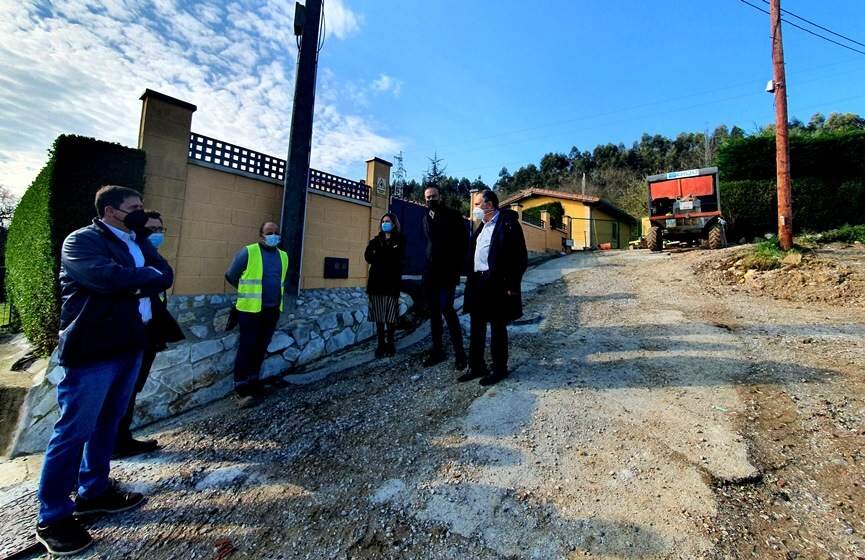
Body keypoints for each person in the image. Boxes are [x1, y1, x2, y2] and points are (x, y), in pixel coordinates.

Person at [36, 186, 174, 556]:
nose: (142, 213)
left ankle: (94, 490)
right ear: (112, 211)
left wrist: (137, 279)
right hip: (94, 350)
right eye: (135, 208)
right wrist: (138, 281)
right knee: (73, 430)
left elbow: (165, 274)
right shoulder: (81, 241)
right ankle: (53, 516)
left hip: (131, 345)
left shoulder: (137, 241)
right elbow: (105, 279)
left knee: (108, 423)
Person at [113, 210, 184, 458]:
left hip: (149, 333)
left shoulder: (149, 254)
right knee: (121, 391)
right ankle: (113, 442)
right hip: (126, 332)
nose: (156, 234)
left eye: (160, 229)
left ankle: (122, 438)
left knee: (133, 388)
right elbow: (136, 282)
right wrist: (151, 279)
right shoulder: (132, 254)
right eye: (151, 229)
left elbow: (165, 278)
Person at [459, 189, 527, 386]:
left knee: (497, 326)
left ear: (488, 205)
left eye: (477, 204)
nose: (474, 208)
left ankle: (499, 369)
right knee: (476, 325)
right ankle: (476, 366)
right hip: (477, 282)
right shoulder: (482, 226)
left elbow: (520, 259)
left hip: (496, 283)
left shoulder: (508, 224)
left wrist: (511, 285)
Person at [225, 221, 288, 408]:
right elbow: (231, 275)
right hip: (250, 310)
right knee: (247, 347)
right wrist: (244, 291)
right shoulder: (248, 252)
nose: (273, 235)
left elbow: (280, 281)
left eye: (276, 232)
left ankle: (254, 381)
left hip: (272, 309)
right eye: (269, 232)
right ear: (261, 235)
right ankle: (241, 387)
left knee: (261, 346)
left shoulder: (283, 256)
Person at [421, 185, 469, 370]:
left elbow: (462, 244)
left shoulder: (453, 215)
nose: (430, 199)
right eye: (427, 197)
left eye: (433, 196)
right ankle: (438, 350)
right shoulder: (425, 217)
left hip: (447, 274)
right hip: (430, 274)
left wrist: (456, 270)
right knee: (433, 313)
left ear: (440, 196)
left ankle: (460, 354)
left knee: (448, 310)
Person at [364, 213, 404, 358]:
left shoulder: (400, 240)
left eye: (387, 221)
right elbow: (368, 256)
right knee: (379, 316)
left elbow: (398, 258)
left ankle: (391, 343)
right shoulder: (375, 241)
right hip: (376, 283)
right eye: (383, 221)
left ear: (394, 224)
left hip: (391, 283)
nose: (385, 223)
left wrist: (380, 255)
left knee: (390, 316)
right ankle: (381, 345)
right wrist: (382, 255)